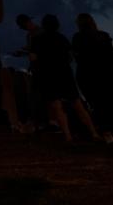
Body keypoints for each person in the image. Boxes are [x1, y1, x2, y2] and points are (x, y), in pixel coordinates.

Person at [31, 14, 99, 143]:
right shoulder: (62, 38)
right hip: (65, 74)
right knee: (78, 105)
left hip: (49, 75)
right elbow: (70, 56)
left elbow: (33, 58)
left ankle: (68, 136)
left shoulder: (37, 39)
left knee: (57, 106)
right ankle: (94, 133)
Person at [72, 13, 113, 143]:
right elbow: (111, 54)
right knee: (109, 103)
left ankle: (107, 132)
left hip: (88, 76)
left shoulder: (78, 38)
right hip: (105, 75)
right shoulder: (103, 36)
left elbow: (77, 56)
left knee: (97, 104)